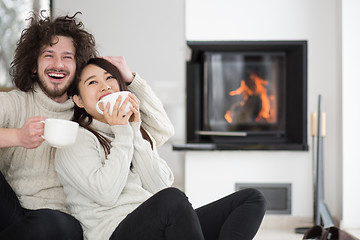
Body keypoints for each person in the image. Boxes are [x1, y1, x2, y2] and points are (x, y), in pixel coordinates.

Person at [0, 11, 174, 239]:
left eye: (67, 57)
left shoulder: (88, 110)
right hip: (12, 211)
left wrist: (130, 80)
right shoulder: (15, 103)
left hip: (63, 219)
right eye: (48, 56)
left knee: (63, 227)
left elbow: (161, 130)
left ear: (78, 66)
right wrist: (16, 137)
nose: (58, 64)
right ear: (34, 65)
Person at [54, 57, 267, 240]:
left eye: (110, 78)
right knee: (172, 200)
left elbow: (159, 187)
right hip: (115, 233)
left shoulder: (132, 130)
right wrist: (123, 133)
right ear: (79, 100)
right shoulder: (76, 139)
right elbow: (106, 194)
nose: (105, 86)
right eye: (93, 82)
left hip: (158, 227)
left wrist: (134, 131)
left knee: (251, 199)